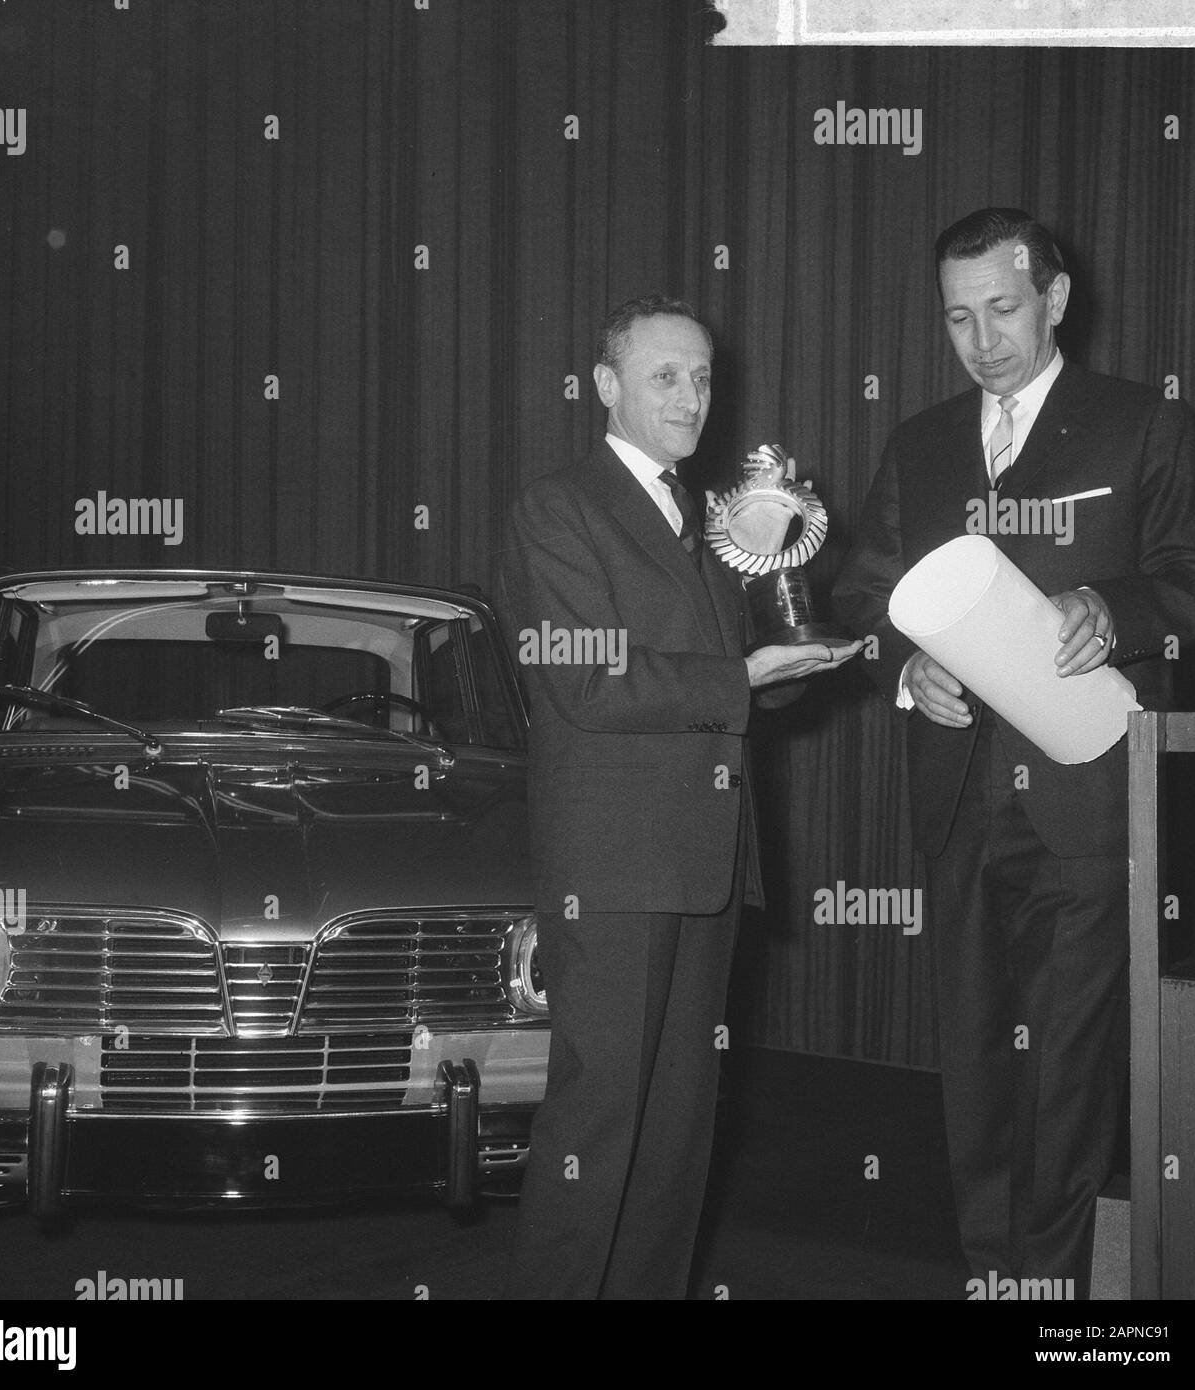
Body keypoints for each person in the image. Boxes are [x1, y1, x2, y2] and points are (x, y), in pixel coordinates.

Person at [833, 208, 1195, 1298]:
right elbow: (863, 599)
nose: (981, 338)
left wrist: (1116, 604)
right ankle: (987, 1277)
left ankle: (1048, 1291)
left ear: (1053, 299)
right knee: (973, 1064)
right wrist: (901, 669)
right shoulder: (915, 441)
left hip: (1088, 801)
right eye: (957, 317)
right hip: (957, 799)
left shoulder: (1142, 425)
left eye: (1001, 309)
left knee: (1062, 1071)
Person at [499, 294, 859, 1299]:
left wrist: (787, 670)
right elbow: (587, 681)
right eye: (665, 375)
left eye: (701, 376)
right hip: (611, 871)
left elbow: (712, 690)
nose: (690, 396)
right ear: (604, 386)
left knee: (675, 1141)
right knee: (597, 1127)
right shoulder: (554, 510)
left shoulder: (705, 525)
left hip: (703, 862)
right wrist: (745, 676)